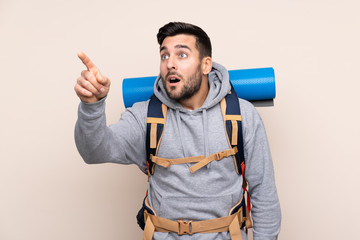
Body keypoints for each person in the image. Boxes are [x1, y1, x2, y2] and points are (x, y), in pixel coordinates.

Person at [74, 22, 281, 240]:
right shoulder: (145, 116)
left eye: (182, 55)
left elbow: (264, 194)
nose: (170, 64)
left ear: (206, 65)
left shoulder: (242, 115)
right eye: (164, 56)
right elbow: (94, 152)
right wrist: (92, 106)